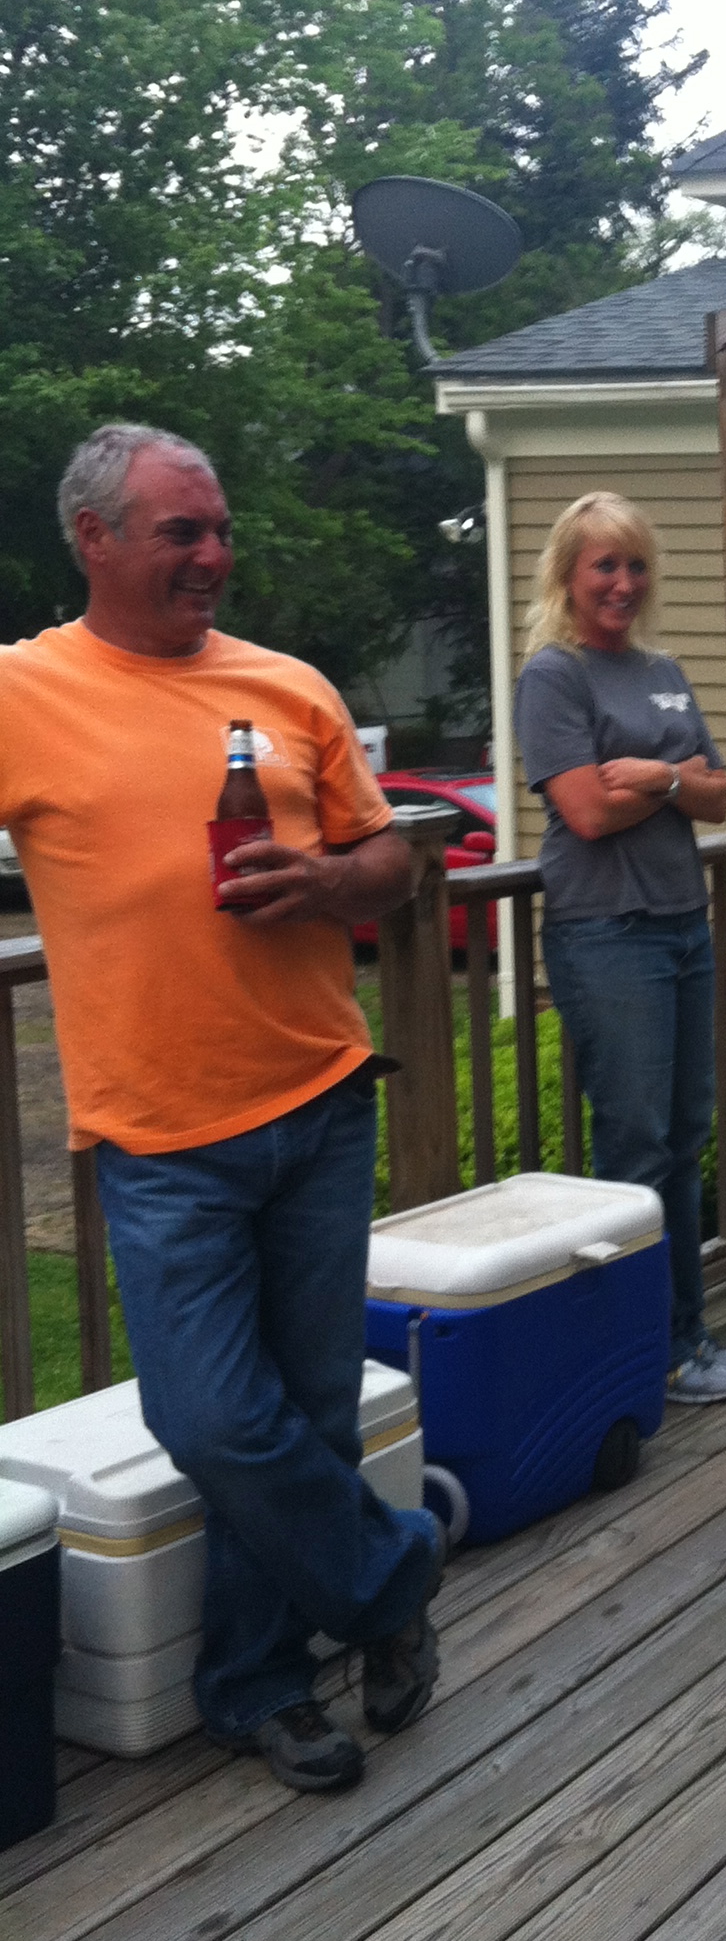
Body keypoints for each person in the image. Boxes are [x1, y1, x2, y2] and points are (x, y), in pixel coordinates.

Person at [0, 425, 444, 1794]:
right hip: (160, 1136)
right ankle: (393, 1578)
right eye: (180, 532)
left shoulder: (286, 687)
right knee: (212, 1421)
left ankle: (258, 1686)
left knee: (309, 1415)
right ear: (94, 538)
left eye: (219, 530)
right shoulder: (23, 691)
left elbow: (393, 861)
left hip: (318, 1098)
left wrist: (331, 882)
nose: (213, 555)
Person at [513, 491, 726, 1407]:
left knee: (684, 1136)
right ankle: (644, 1352)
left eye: (635, 564)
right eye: (604, 565)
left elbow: (721, 795)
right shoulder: (555, 676)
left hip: (682, 921)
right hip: (606, 931)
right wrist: (674, 780)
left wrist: (655, 777)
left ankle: (684, 1333)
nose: (622, 582)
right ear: (568, 575)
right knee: (637, 1145)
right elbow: (585, 813)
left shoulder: (661, 670)